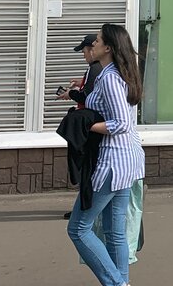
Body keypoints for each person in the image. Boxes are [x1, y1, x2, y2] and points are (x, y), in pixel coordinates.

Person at [66, 23, 145, 286]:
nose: (93, 44)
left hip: (111, 162)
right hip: (127, 161)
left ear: (108, 47)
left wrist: (85, 125)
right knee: (115, 232)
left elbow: (120, 123)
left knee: (78, 229)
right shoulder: (120, 74)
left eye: (98, 41)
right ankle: (122, 281)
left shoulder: (110, 78)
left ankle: (117, 283)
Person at [60, 34, 104, 219]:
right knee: (87, 169)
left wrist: (71, 94)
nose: (83, 55)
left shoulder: (96, 69)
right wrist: (81, 83)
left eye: (84, 51)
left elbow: (88, 97)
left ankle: (85, 210)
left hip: (90, 126)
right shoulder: (96, 69)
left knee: (87, 168)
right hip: (91, 125)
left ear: (93, 50)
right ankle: (85, 207)